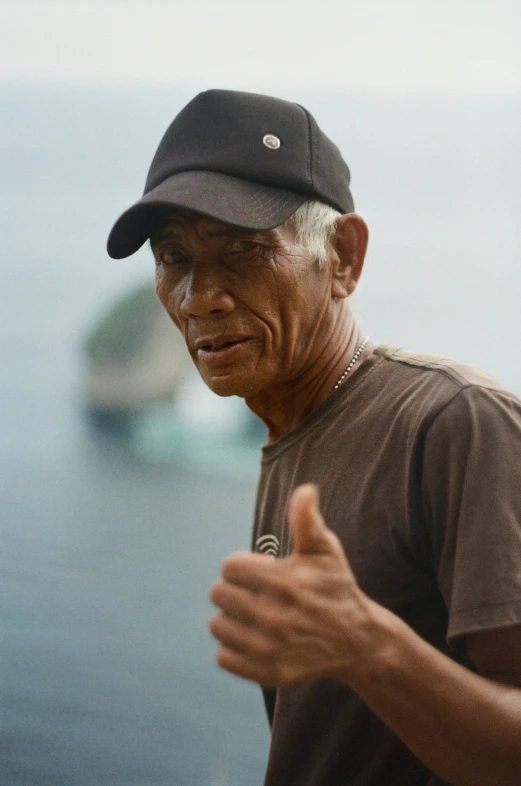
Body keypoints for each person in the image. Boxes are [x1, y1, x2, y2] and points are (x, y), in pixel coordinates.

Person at [107, 89, 521, 785]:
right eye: (173, 255)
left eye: (244, 249)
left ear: (343, 259)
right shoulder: (292, 425)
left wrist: (363, 643)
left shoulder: (457, 422)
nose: (199, 295)